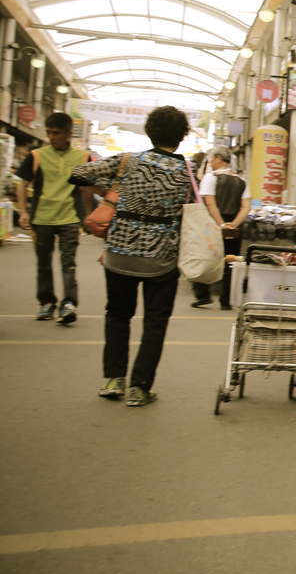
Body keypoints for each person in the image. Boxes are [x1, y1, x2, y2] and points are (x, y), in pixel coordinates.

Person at [70, 106, 194, 406]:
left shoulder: (129, 160)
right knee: (155, 322)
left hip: (120, 253)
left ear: (149, 132)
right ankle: (140, 388)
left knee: (117, 315)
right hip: (162, 258)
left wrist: (116, 187)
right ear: (181, 137)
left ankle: (113, 380)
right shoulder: (186, 171)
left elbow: (79, 174)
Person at [15, 112, 95, 323]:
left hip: (70, 219)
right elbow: (22, 185)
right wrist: (23, 212)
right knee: (43, 264)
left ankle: (68, 304)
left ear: (68, 134)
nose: (52, 137)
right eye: (49, 132)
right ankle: (47, 303)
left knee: (68, 263)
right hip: (41, 219)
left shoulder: (82, 157)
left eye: (56, 133)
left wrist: (88, 215)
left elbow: (87, 189)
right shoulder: (37, 155)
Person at [191, 146, 250, 310]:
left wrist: (221, 224)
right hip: (234, 224)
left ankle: (203, 295)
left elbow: (209, 202)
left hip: (212, 222)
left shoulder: (211, 177)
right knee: (230, 261)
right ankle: (226, 300)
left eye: (211, 158)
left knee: (204, 258)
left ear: (218, 158)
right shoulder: (241, 179)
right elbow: (246, 206)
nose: (210, 161)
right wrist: (234, 224)